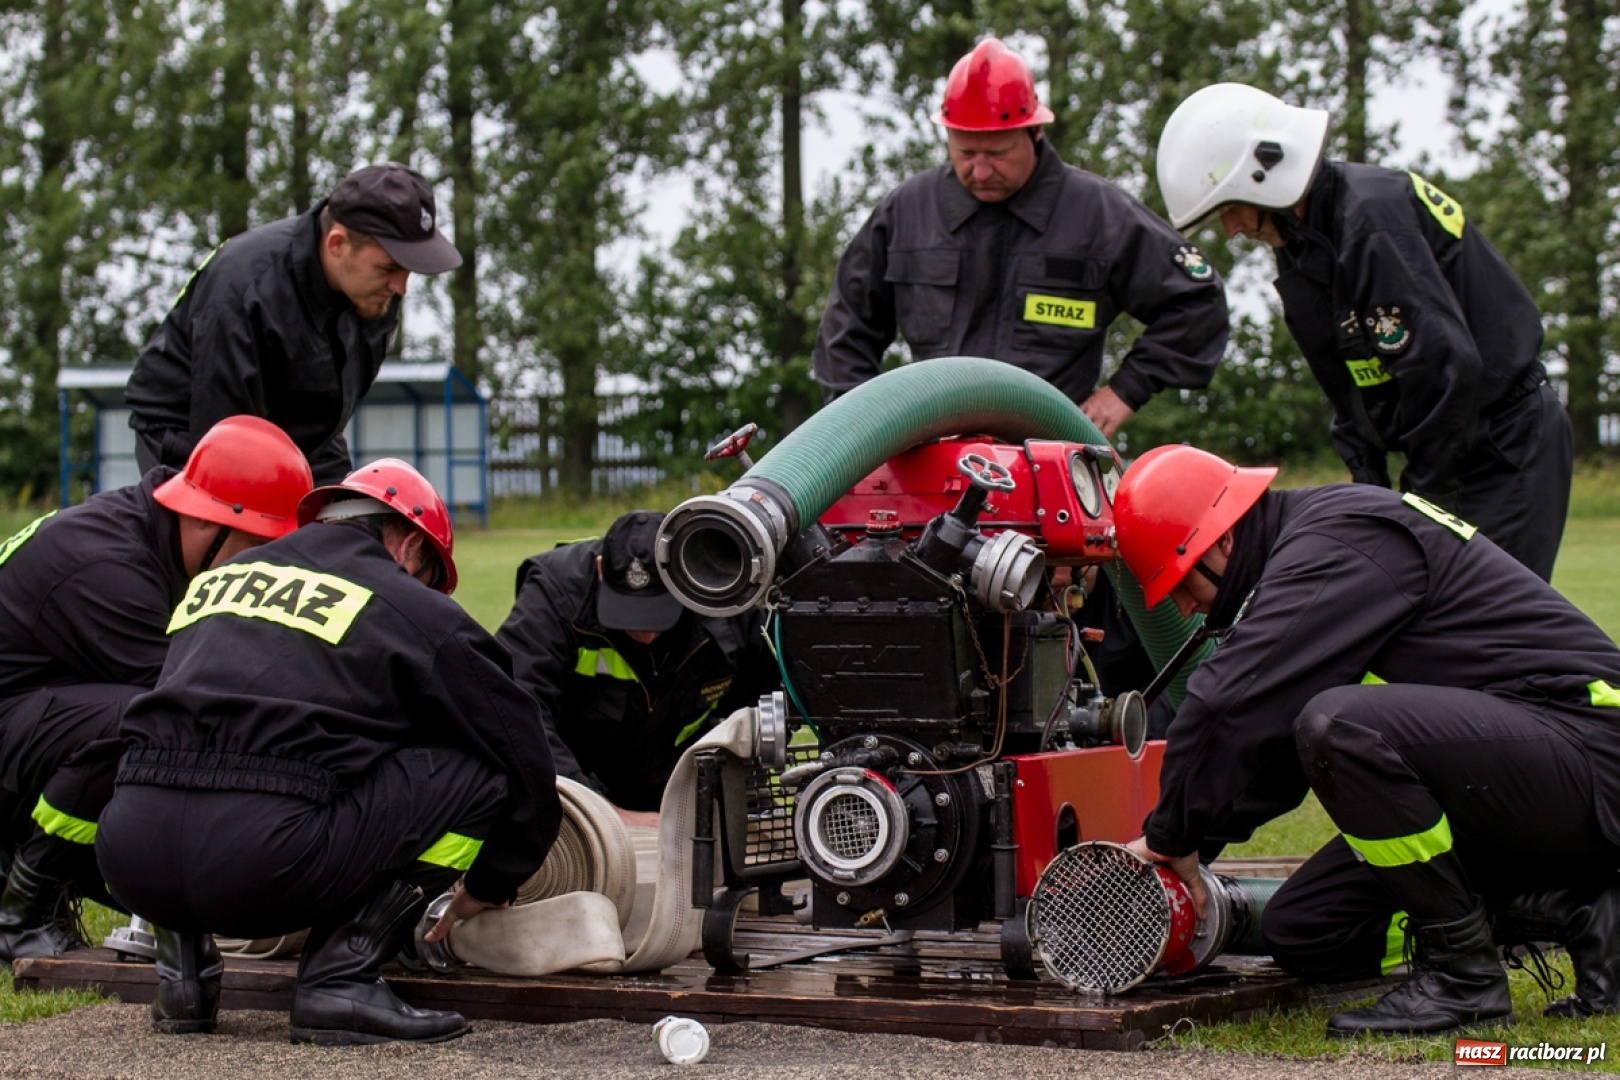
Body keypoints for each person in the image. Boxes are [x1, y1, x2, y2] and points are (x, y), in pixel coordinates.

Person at [1113, 443, 1620, 1036]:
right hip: (1511, 784)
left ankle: (1465, 979)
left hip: (1591, 751)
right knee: (1306, 931)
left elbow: (1228, 701)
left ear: (1222, 540)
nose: (1183, 607)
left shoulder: (1343, 536)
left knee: (1343, 725)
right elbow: (1269, 755)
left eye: (1177, 582)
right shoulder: (1310, 560)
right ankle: (1583, 910)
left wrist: (1168, 832)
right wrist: (1177, 859)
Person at [95, 459, 561, 1045]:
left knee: (193, 757)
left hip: (131, 858)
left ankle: (184, 982)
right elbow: (521, 753)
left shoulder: (219, 580)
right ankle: (340, 980)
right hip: (265, 869)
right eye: (429, 576)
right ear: (411, 546)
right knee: (479, 771)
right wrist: (493, 881)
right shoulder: (404, 603)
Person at [1156, 83, 1574, 581]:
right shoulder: (1301, 249)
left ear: (1262, 175)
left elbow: (1443, 368)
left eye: (1229, 209)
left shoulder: (1371, 217)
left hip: (1505, 441)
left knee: (1494, 622)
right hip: (1447, 441)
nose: (1231, 229)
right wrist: (1369, 482)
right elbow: (1347, 381)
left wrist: (1424, 502)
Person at [0, 415, 313, 963]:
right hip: (17, 727)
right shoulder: (108, 571)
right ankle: (18, 913)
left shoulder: (153, 529)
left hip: (31, 712)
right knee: (145, 720)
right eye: (261, 548)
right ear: (211, 521)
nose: (268, 567)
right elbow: (196, 703)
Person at [811, 37, 1229, 438]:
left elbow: (1197, 301)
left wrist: (1124, 393)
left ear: (1034, 133)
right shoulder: (907, 212)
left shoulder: (1098, 214)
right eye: (964, 152)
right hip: (930, 458)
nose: (980, 170)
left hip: (1050, 458)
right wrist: (861, 432)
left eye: (997, 153)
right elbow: (845, 331)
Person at [126, 162, 463, 484]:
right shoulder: (245, 289)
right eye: (389, 269)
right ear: (337, 245)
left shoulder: (371, 297)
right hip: (192, 433)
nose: (400, 287)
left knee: (344, 534)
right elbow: (223, 447)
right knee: (227, 537)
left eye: (408, 271)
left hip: (295, 434)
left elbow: (322, 419)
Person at [495, 510, 779, 827]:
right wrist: (602, 813)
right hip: (576, 784)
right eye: (628, 614)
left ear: (686, 582)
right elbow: (512, 709)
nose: (646, 636)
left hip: (684, 779)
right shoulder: (555, 595)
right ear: (601, 570)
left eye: (658, 615)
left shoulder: (726, 597)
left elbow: (777, 698)